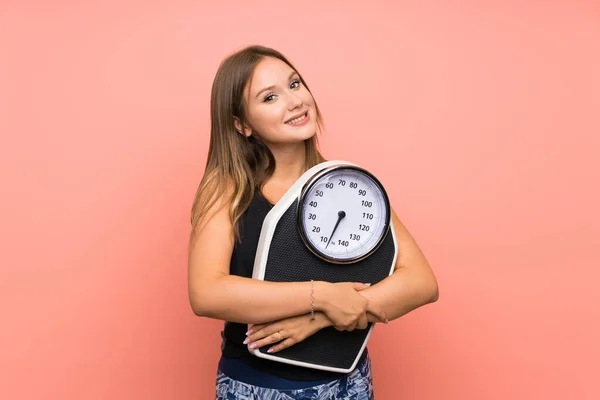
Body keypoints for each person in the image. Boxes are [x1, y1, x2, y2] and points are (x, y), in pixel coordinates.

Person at [187, 45, 439, 399]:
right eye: (270, 97)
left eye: (294, 85)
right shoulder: (227, 188)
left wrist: (325, 314)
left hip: (347, 384)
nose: (293, 101)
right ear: (242, 125)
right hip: (256, 387)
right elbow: (207, 293)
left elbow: (421, 282)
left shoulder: (347, 183)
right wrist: (322, 295)